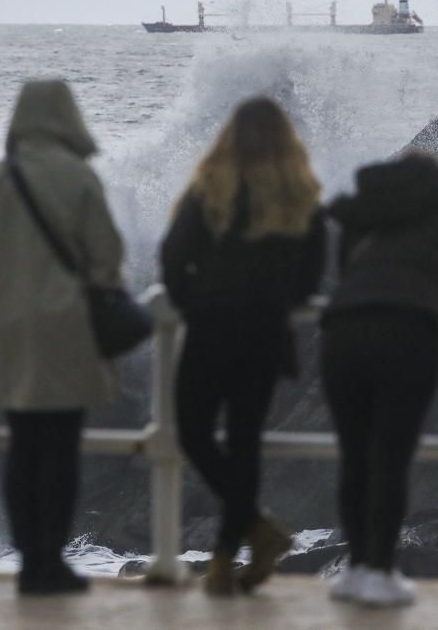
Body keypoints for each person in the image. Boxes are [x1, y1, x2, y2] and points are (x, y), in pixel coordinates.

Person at [0, 80, 124, 595]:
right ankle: (50, 561)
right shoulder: (79, 177)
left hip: (4, 331)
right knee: (60, 449)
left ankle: (29, 560)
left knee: (21, 445)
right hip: (65, 330)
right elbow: (107, 260)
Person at [160, 97, 326, 596]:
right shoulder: (301, 198)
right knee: (244, 442)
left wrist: (193, 303)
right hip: (265, 335)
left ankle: (250, 537)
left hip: (210, 330)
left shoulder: (209, 190)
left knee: (191, 431)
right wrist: (277, 301)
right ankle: (232, 552)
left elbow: (172, 259)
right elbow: (310, 278)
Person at [319, 152, 438, 607]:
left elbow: (343, 273)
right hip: (409, 336)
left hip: (344, 335)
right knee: (390, 457)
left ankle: (354, 569)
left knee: (354, 456)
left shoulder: (360, 213)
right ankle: (379, 569)